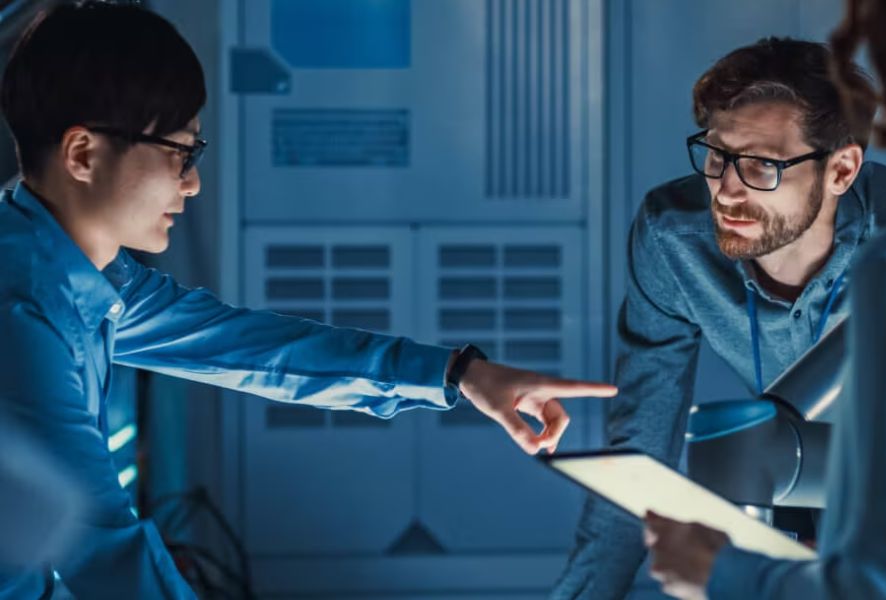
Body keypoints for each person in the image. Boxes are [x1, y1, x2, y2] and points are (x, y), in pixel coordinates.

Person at [0, 3, 618, 598]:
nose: (192, 183)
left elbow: (253, 348)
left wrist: (461, 373)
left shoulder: (77, 273)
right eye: (179, 152)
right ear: (83, 153)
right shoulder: (22, 308)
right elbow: (100, 543)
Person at [553, 36, 886, 599]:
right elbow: (641, 445)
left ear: (842, 170)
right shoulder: (673, 236)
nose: (726, 190)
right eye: (717, 155)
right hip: (784, 487)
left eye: (761, 165)